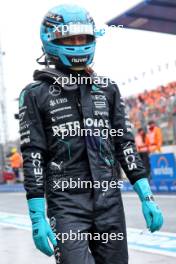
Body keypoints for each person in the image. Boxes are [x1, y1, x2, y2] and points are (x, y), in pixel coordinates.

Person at [19, 4, 163, 264]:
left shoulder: (107, 89)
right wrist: (37, 216)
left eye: (84, 38)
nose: (78, 44)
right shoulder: (34, 93)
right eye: (70, 38)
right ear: (51, 40)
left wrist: (147, 197)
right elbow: (33, 156)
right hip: (66, 206)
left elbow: (124, 145)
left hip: (110, 203)